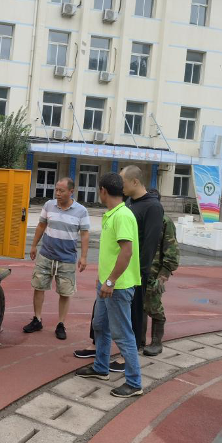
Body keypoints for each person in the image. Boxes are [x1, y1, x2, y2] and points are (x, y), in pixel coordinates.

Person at [76, 172, 143, 398]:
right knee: (100, 325)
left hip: (118, 286)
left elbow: (126, 252)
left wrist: (111, 280)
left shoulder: (122, 216)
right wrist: (102, 277)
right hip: (107, 284)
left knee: (122, 334)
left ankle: (134, 383)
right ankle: (101, 367)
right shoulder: (112, 214)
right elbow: (111, 252)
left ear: (103, 191)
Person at [24, 178, 90, 340]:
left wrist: (83, 257)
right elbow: (41, 225)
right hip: (46, 255)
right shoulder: (49, 205)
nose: (58, 193)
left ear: (71, 192)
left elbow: (84, 234)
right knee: (38, 287)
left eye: (61, 191)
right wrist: (34, 246)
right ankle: (37, 319)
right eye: (56, 190)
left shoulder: (81, 211)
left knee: (65, 292)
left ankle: (61, 324)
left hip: (67, 259)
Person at [121, 165, 164, 350]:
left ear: (135, 182)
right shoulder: (129, 203)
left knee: (137, 312)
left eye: (123, 182)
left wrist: (141, 272)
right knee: (124, 312)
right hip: (124, 267)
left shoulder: (153, 207)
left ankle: (134, 350)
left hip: (137, 272)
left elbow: (150, 243)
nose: (121, 186)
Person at [143, 189, 180, 356]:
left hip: (155, 273)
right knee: (139, 307)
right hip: (139, 271)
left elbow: (172, 251)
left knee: (154, 307)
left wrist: (163, 276)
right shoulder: (141, 217)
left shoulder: (165, 221)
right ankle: (139, 340)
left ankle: (156, 342)